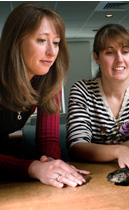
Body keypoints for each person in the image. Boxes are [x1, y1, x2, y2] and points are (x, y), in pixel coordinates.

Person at [0, 3, 90, 188]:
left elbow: (47, 139)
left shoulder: (49, 79)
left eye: (56, 42)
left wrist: (51, 164)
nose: (51, 52)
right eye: (41, 40)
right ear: (15, 41)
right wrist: (32, 168)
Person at [66, 23, 129, 173]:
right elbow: (77, 146)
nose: (119, 59)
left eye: (125, 51)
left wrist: (108, 151)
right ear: (97, 58)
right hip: (97, 175)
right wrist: (118, 152)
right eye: (110, 52)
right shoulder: (82, 90)